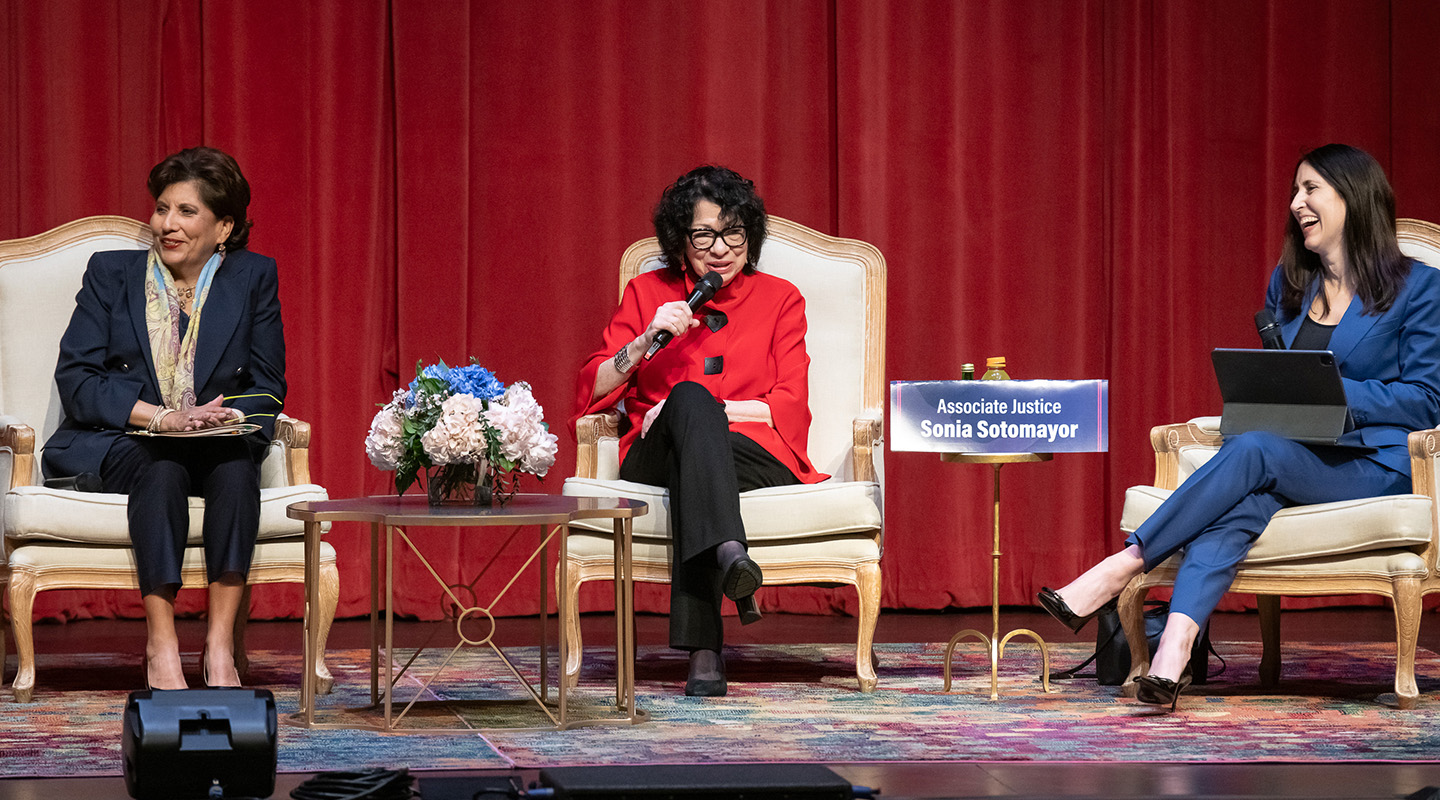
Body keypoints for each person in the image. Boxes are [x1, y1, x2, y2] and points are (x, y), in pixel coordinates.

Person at [1039, 143, 1440, 710]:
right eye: (1296, 191)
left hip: (1375, 464)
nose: (1297, 203)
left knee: (1256, 453)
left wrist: (1333, 391)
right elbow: (1280, 388)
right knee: (1243, 503)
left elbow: (1426, 401)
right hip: (1296, 458)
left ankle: (1122, 565)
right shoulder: (1290, 283)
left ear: (1353, 196)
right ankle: (1173, 654)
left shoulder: (1419, 288)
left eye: (1311, 189)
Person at [573, 165, 828, 696]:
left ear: (750, 236)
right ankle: (730, 554)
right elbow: (593, 388)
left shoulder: (781, 298)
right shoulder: (649, 293)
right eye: (704, 234)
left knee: (694, 421)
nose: (720, 248)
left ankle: (707, 650)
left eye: (734, 232)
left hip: (753, 453)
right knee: (690, 403)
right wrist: (646, 340)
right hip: (653, 453)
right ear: (680, 240)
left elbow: (788, 402)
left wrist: (709, 415)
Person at [43, 146, 285, 690]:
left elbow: (268, 387)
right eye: (161, 209)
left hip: (214, 441)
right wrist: (161, 418)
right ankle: (163, 643)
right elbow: (77, 379)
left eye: (186, 212)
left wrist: (217, 421)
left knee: (234, 468)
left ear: (224, 227)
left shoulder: (253, 277)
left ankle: (220, 645)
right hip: (127, 440)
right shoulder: (112, 274)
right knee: (163, 470)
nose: (167, 225)